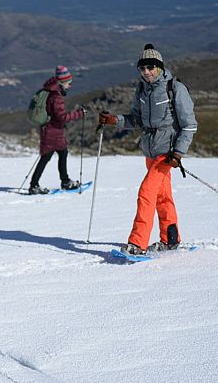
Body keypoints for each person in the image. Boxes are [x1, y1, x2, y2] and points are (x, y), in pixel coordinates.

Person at [99, 44, 197, 255]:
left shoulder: (175, 88)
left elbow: (189, 125)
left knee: (146, 192)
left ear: (160, 67)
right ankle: (170, 239)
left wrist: (178, 153)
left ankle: (137, 243)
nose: (147, 72)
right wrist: (114, 120)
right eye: (142, 68)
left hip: (167, 153)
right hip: (150, 151)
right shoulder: (142, 89)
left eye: (151, 67)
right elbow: (136, 119)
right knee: (162, 197)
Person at [28, 66, 85, 194]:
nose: (70, 86)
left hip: (50, 131)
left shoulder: (50, 92)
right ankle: (35, 185)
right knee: (47, 157)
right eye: (69, 83)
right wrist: (79, 114)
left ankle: (62, 181)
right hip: (53, 132)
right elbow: (62, 117)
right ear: (63, 82)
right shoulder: (56, 97)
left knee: (61, 153)